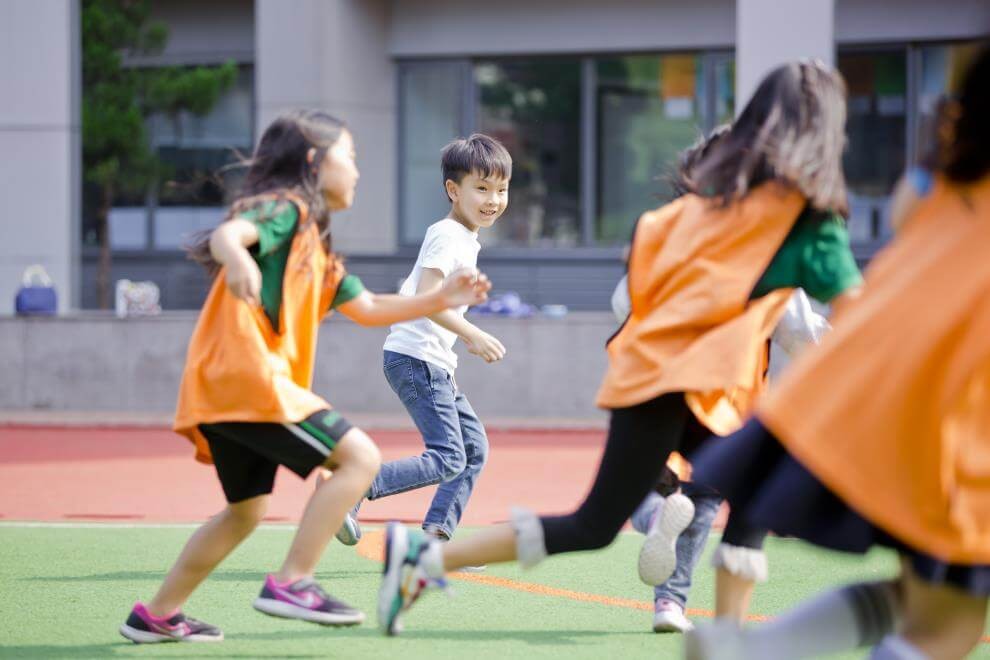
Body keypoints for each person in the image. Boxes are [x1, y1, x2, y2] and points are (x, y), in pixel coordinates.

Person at [376, 59, 861, 637]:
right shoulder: (804, 222)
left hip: (642, 379)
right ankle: (723, 630)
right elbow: (832, 329)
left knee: (592, 523)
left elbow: (623, 301)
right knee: (750, 494)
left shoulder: (678, 214)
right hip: (718, 388)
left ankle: (423, 558)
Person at [118, 110, 491, 644]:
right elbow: (232, 233)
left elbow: (366, 307)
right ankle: (293, 582)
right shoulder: (286, 212)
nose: (359, 171)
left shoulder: (316, 246)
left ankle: (156, 614)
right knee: (359, 457)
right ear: (316, 163)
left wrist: (437, 300)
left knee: (244, 514)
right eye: (352, 157)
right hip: (250, 383)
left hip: (222, 391)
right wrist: (237, 259)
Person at [685, 45, 990, 660]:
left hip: (884, 387)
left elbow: (908, 212)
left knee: (916, 596)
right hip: (967, 407)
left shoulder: (941, 173)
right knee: (948, 627)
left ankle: (754, 650)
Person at [614, 129, 832, 634]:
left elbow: (624, 304)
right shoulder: (767, 254)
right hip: (729, 408)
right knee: (707, 500)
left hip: (657, 395)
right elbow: (801, 332)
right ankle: (672, 605)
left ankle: (656, 524)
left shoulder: (664, 238)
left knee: (657, 493)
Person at [333, 135, 509, 559]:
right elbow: (427, 299)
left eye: (501, 189)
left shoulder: (465, 238)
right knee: (450, 456)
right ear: (454, 190)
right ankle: (350, 488)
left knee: (472, 449)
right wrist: (472, 334)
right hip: (417, 361)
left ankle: (435, 542)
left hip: (430, 363)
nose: (493, 200)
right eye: (481, 189)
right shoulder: (448, 236)